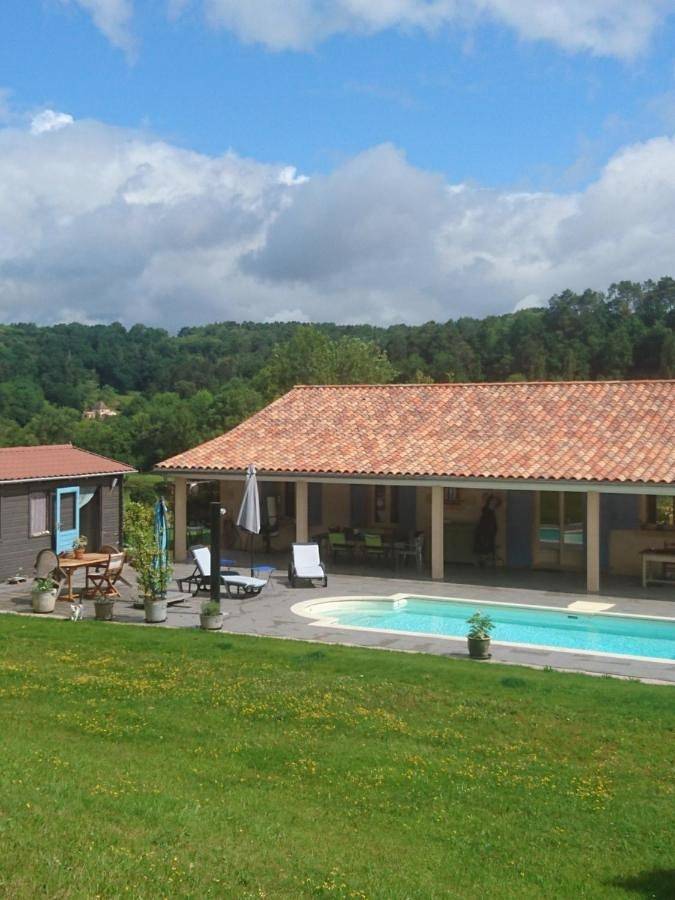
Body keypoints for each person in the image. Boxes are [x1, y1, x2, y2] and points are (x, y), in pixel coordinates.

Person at [473, 495, 500, 566]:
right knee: (483, 547)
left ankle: (483, 561)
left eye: (495, 502)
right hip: (484, 533)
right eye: (493, 502)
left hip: (489, 533)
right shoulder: (486, 511)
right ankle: (481, 561)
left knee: (486, 548)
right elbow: (484, 522)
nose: (494, 504)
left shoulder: (491, 511)